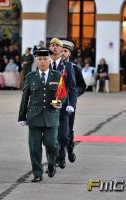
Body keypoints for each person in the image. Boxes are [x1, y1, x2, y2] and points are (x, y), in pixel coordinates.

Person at [18, 48, 61, 182]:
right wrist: (21, 116)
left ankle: (52, 163)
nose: (42, 62)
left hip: (51, 116)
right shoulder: (30, 77)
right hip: (34, 117)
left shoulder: (57, 75)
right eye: (40, 59)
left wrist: (60, 103)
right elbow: (25, 97)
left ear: (49, 60)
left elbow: (63, 94)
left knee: (52, 144)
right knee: (34, 147)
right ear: (36, 61)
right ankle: (37, 173)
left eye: (45, 59)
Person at [49, 38, 78, 169]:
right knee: (52, 134)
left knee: (65, 134)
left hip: (66, 105)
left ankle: (67, 151)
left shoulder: (70, 67)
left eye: (65, 51)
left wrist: (72, 102)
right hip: (50, 105)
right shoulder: (46, 64)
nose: (63, 53)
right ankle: (56, 157)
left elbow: (75, 88)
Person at [61, 40, 86, 163]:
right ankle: (59, 156)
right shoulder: (52, 67)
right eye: (61, 51)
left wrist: (74, 96)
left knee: (68, 130)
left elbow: (82, 85)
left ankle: (70, 148)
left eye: (65, 51)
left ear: (69, 54)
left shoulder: (75, 69)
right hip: (56, 103)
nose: (63, 53)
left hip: (69, 104)